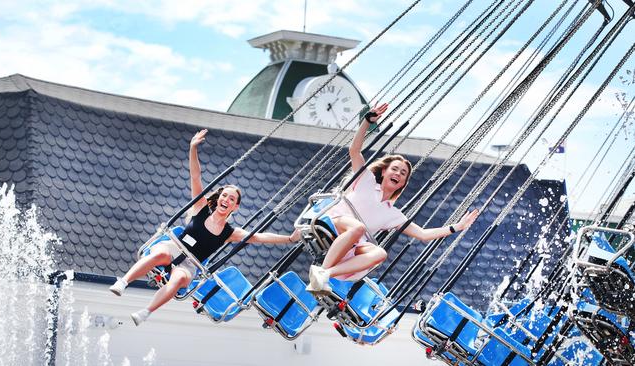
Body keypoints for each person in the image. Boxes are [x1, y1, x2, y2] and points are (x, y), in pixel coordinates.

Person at [110, 129, 300, 326]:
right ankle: (123, 282)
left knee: (177, 280)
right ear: (219, 198)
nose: (226, 199)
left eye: (231, 199)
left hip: (190, 264)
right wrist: (193, 148)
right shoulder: (200, 208)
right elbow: (195, 176)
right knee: (160, 255)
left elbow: (259, 237)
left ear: (235, 207)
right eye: (224, 196)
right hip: (174, 247)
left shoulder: (230, 232)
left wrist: (289, 238)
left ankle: (146, 312)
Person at [306, 103, 479, 294]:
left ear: (403, 183)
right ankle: (321, 273)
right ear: (384, 171)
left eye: (403, 173)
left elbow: (423, 234)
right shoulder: (367, 181)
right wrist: (366, 122)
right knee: (359, 227)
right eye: (394, 169)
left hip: (351, 244)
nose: (398, 173)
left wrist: (457, 227)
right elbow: (354, 151)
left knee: (379, 252)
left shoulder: (392, 213)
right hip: (333, 222)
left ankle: (326, 273)